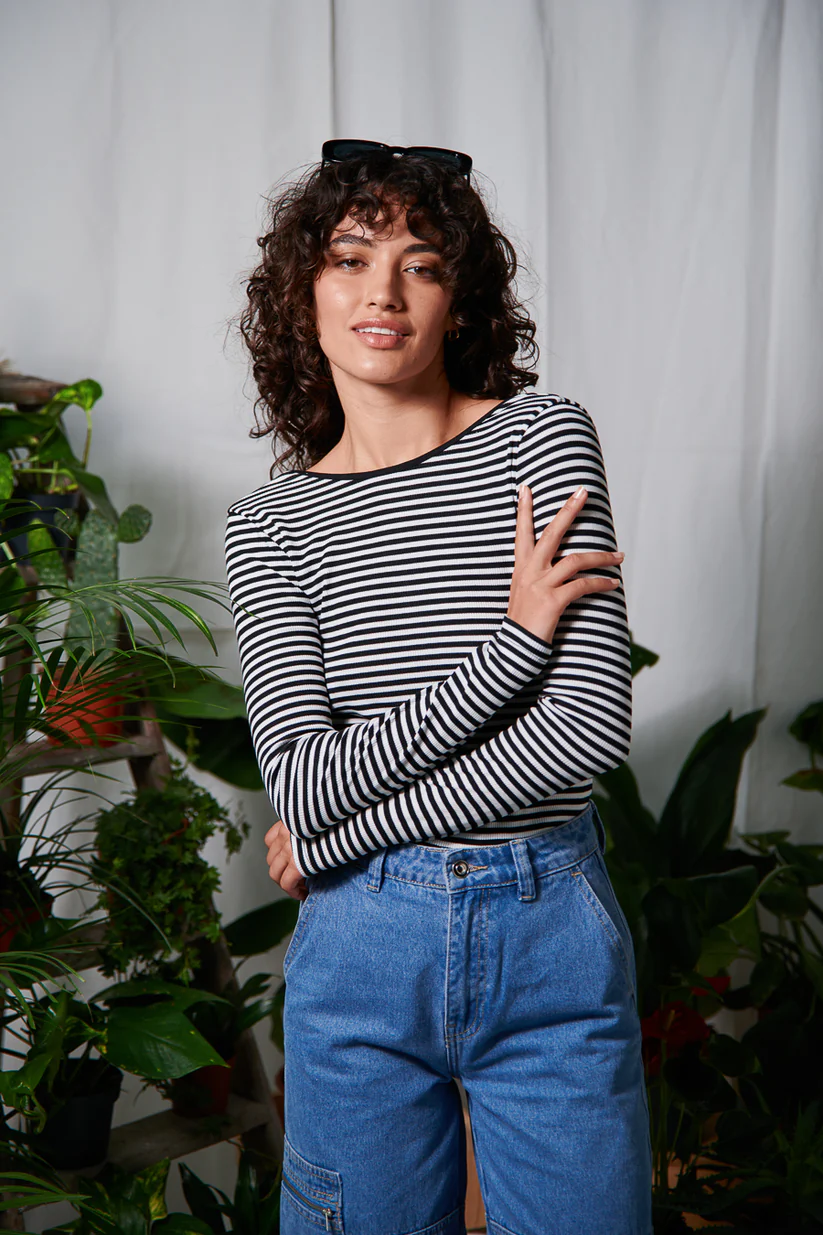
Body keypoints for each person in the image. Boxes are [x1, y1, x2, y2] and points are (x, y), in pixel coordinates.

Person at [224, 139, 653, 1235]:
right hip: (358, 951)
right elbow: (303, 781)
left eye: (419, 264)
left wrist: (337, 837)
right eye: (350, 258)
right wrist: (512, 645)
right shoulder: (268, 525)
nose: (383, 291)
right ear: (302, 291)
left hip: (547, 930)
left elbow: (583, 731)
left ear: (458, 299)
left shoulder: (540, 438)